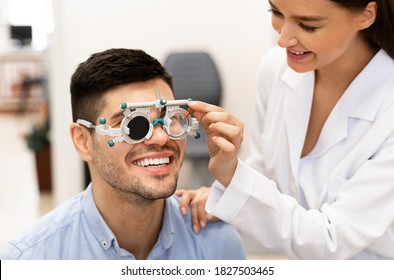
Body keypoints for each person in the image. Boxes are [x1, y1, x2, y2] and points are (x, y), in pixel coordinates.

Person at [178, 0, 394, 259]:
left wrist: (237, 181)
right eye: (277, 12)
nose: (283, 40)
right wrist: (224, 192)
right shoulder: (276, 68)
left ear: (366, 16)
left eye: (308, 25)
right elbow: (265, 165)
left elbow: (329, 239)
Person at [0, 48, 245, 260]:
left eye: (170, 118)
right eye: (134, 125)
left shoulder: (218, 245)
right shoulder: (31, 260)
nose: (161, 137)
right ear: (83, 141)